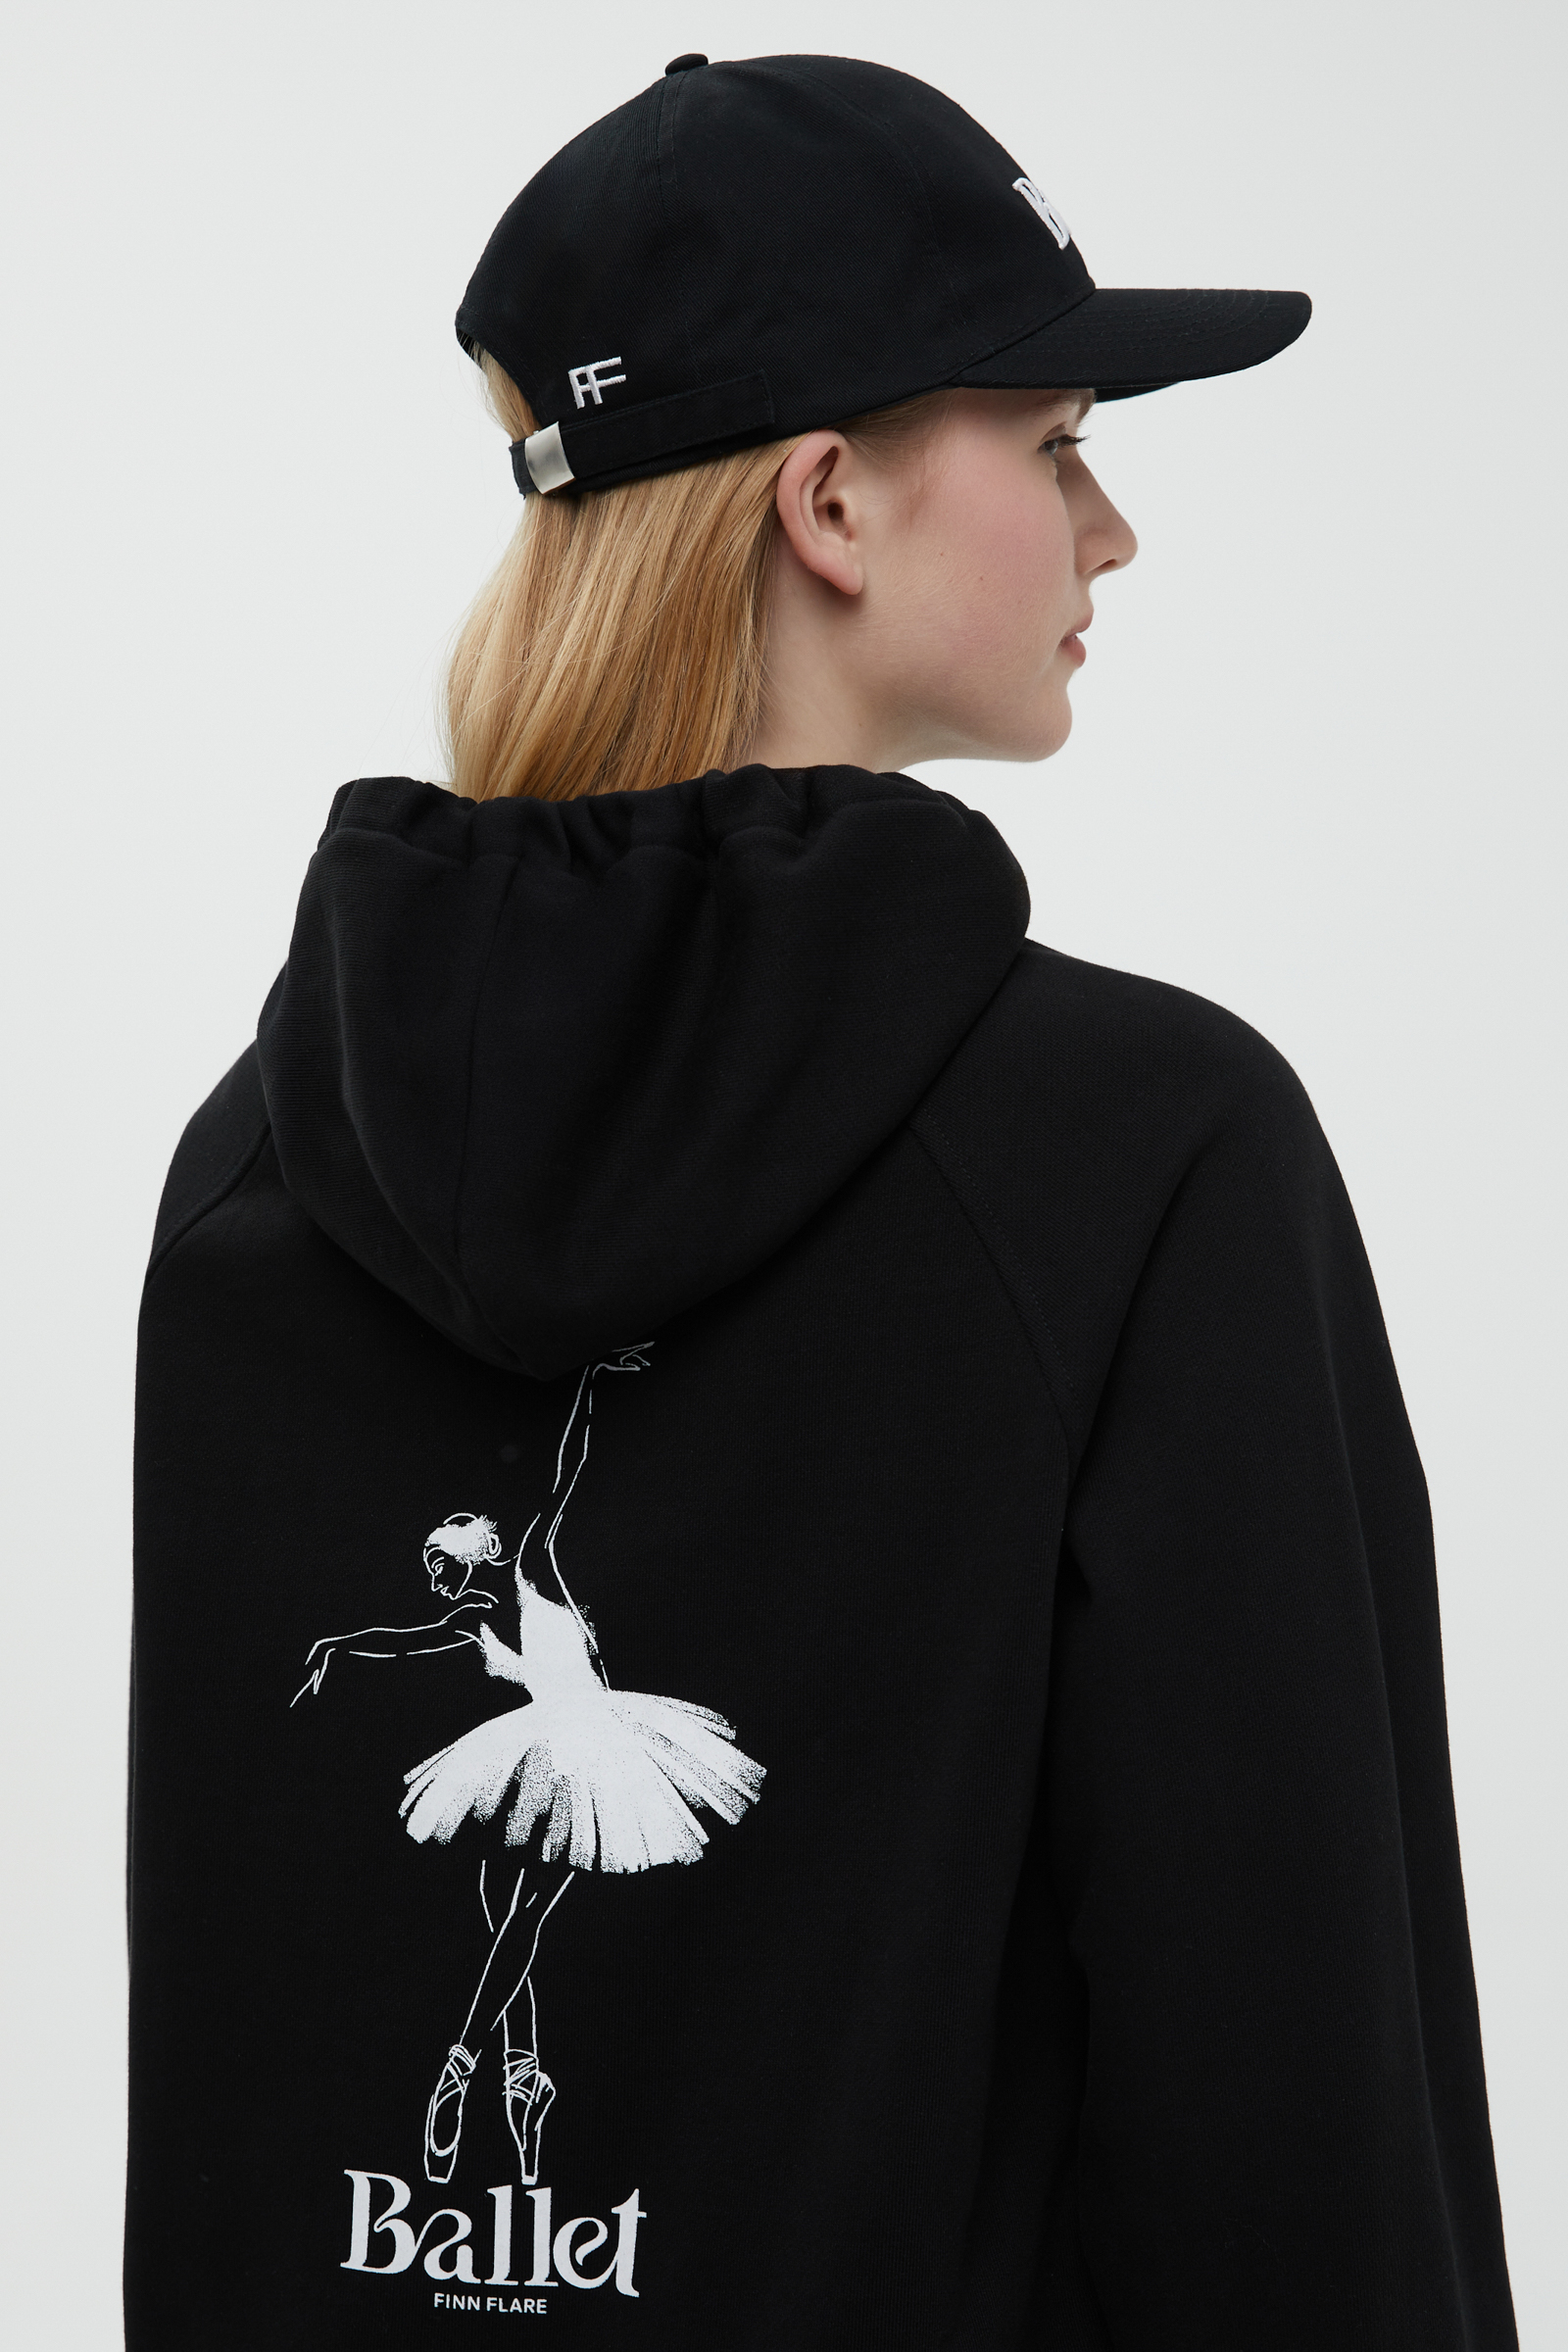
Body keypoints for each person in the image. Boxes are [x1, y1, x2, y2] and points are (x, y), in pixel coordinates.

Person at [126, 51, 1517, 2352]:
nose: (1109, 532)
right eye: (1055, 443)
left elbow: (236, 2111)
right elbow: (1291, 2112)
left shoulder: (258, 1162)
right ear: (831, 504)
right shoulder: (1144, 1156)